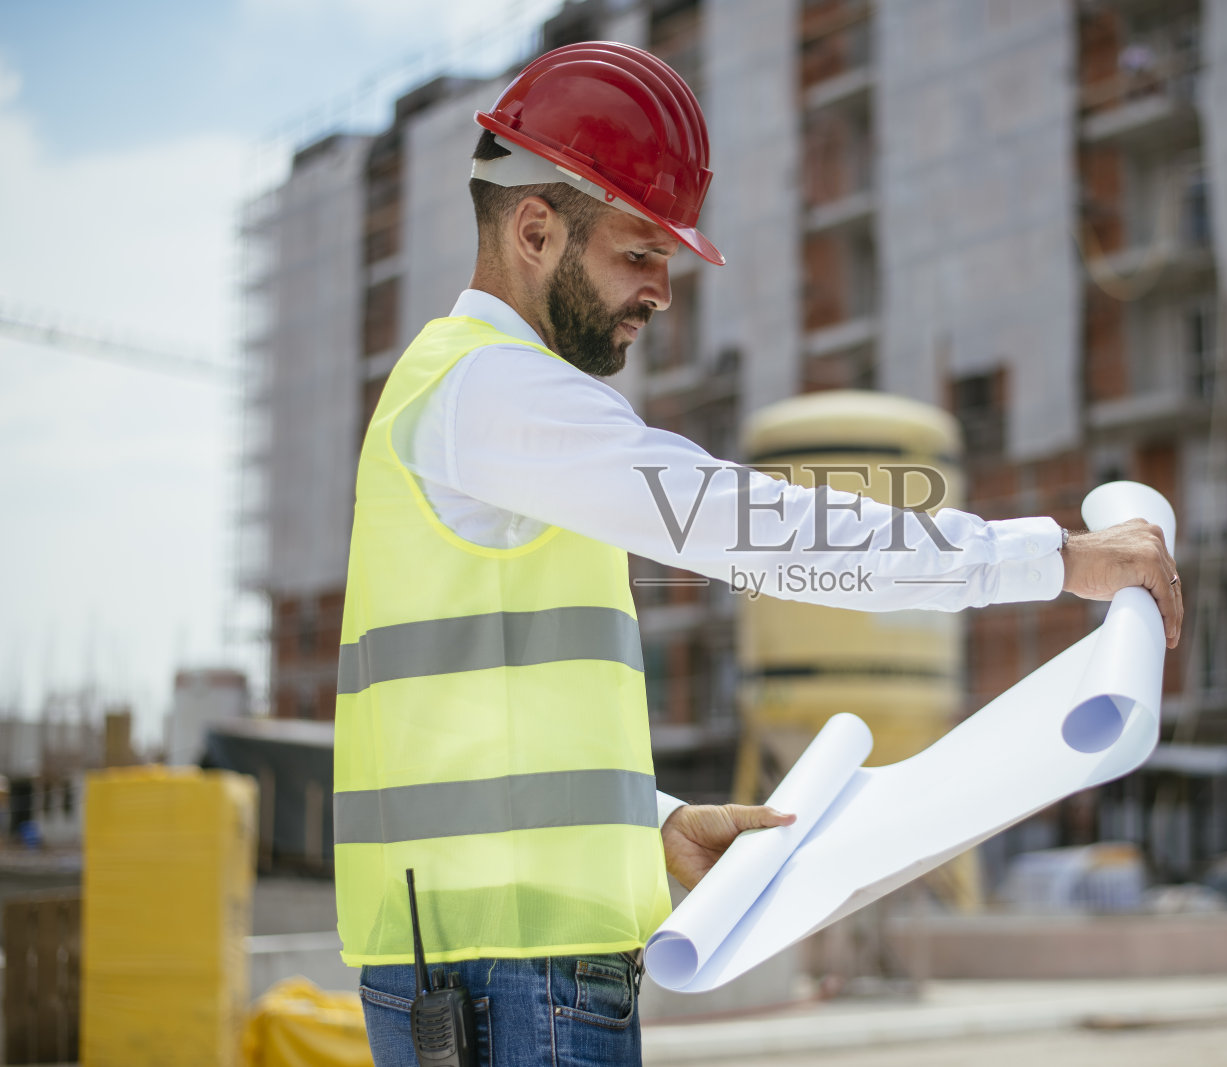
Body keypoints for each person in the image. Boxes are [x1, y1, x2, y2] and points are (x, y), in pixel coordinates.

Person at [338, 41, 1181, 1067]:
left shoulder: (462, 401)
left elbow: (478, 722)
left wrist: (648, 821)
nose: (660, 291)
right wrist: (1055, 558)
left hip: (488, 967)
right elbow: (756, 530)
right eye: (639, 252)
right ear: (533, 229)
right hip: (508, 980)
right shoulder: (494, 394)